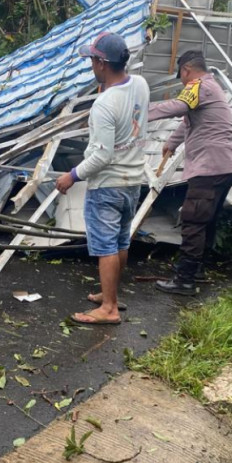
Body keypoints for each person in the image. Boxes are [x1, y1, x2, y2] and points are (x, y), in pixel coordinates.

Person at [54, 32, 149, 324]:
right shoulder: (141, 85)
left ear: (102, 63)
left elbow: (102, 155)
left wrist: (72, 175)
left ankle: (108, 308)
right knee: (120, 241)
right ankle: (112, 296)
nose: (91, 65)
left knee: (105, 245)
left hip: (107, 184)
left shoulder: (104, 105)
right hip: (132, 180)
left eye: (93, 60)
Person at [147, 49, 232, 294]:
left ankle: (184, 279)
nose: (181, 80)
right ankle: (196, 270)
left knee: (192, 221)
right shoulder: (212, 88)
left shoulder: (198, 85)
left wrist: (138, 113)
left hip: (209, 168)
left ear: (186, 69)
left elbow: (178, 107)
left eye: (180, 75)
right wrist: (172, 142)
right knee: (205, 221)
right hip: (225, 166)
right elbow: (187, 119)